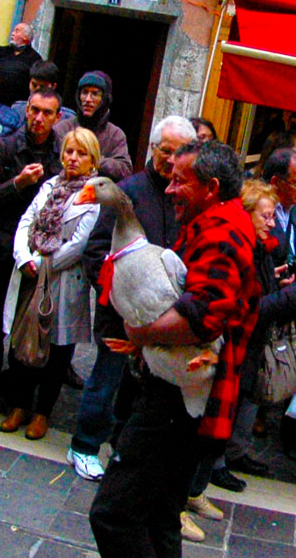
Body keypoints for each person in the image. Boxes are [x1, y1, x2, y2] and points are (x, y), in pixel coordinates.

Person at [89, 140, 260, 558]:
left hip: (175, 400)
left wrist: (139, 333)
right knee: (160, 513)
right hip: (187, 397)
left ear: (212, 187)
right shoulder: (217, 224)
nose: (168, 189)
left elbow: (201, 317)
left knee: (114, 514)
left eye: (180, 181)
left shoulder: (222, 234)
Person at [69, 115, 194, 482]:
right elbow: (96, 250)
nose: (170, 160)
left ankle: (121, 452)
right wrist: (116, 297)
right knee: (105, 379)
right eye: (165, 151)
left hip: (159, 319)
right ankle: (84, 445)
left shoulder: (183, 195)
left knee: (138, 389)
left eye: (179, 153)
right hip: (120, 313)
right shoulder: (129, 192)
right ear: (153, 149)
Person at [191, 180, 296, 520]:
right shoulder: (241, 250)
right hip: (233, 351)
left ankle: (196, 489)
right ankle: (188, 493)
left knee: (221, 426)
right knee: (207, 429)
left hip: (245, 354)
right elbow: (248, 310)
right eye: (264, 216)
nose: (272, 222)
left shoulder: (260, 249)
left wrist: (277, 284)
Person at [0, 127, 101, 439]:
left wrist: (45, 265)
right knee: (24, 342)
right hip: (32, 275)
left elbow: (78, 244)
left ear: (92, 159)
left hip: (64, 281)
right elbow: (27, 221)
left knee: (56, 350)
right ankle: (19, 404)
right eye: (69, 151)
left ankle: (43, 411)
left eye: (81, 153)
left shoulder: (94, 196)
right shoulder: (49, 186)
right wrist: (23, 257)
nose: (73, 158)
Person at [0, 87, 64, 395]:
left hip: (39, 255)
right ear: (26, 111)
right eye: (35, 111)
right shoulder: (5, 147)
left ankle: (15, 394)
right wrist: (17, 184)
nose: (39, 119)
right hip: (0, 246)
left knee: (28, 323)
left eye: (47, 113)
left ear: (57, 117)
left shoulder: (62, 154)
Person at [53, 71, 132, 182]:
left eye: (95, 94)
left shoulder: (115, 135)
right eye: (84, 92)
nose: (88, 99)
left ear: (105, 99)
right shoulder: (62, 128)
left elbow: (124, 170)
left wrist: (94, 159)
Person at [10, 60, 75, 121]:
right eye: (34, 85)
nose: (37, 90)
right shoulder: (17, 109)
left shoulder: (67, 118)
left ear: (53, 86)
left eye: (43, 87)